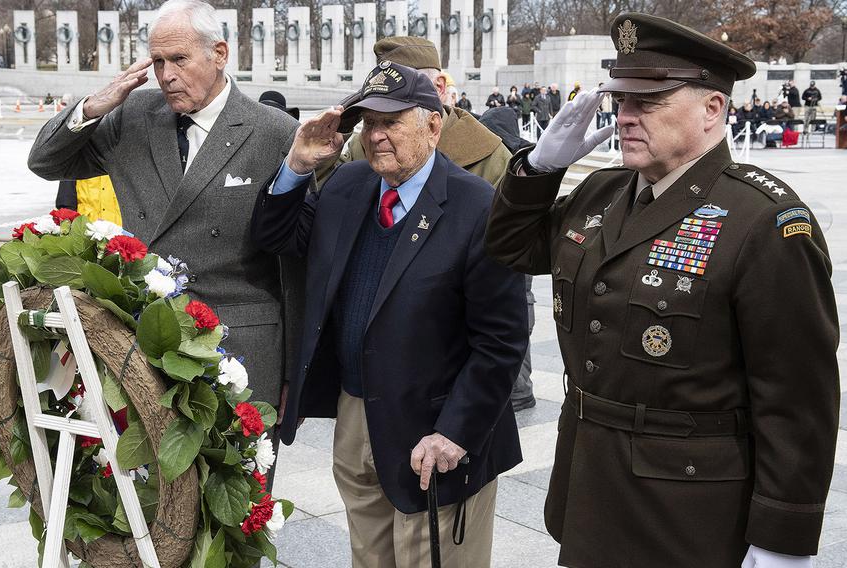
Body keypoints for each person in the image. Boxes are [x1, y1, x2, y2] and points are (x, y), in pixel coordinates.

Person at [485, 12, 838, 568]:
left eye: (646, 103)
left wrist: (780, 539)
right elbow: (511, 250)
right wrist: (539, 167)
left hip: (689, 508)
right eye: (620, 101)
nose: (624, 117)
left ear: (711, 109)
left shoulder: (762, 221)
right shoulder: (602, 191)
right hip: (589, 484)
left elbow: (797, 398)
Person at [252, 61, 527, 568]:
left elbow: (502, 342)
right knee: (371, 558)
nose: (376, 135)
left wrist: (455, 432)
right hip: (357, 415)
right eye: (368, 122)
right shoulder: (347, 186)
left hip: (436, 428)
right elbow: (275, 237)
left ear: (433, 124)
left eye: (392, 121)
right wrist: (296, 165)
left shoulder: (479, 206)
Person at [28, 0, 304, 423]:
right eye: (157, 62)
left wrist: (294, 375)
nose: (166, 75)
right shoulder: (134, 116)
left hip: (241, 352)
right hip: (146, 347)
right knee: (150, 486)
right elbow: (46, 163)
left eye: (179, 59)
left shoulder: (273, 131)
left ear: (220, 54)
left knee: (243, 487)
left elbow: (294, 264)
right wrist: (96, 105)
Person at [334, 36, 513, 191]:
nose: (376, 136)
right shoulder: (362, 146)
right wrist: (319, 156)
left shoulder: (490, 157)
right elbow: (324, 207)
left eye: (392, 120)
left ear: (439, 87)